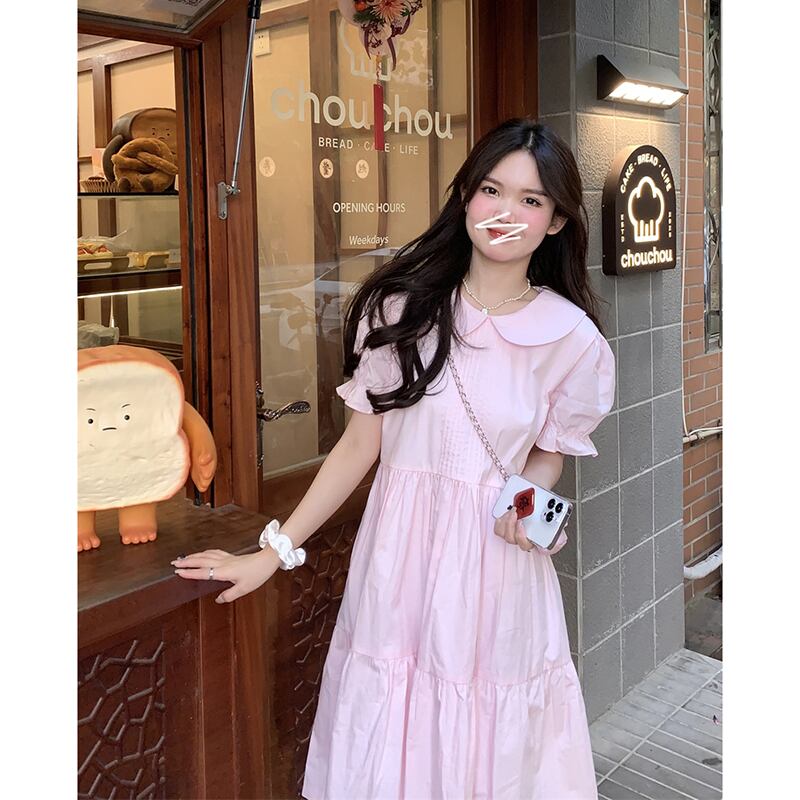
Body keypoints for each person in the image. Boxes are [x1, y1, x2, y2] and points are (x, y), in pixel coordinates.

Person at [173, 118, 615, 799]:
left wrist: (527, 507)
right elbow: (359, 446)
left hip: (495, 569)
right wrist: (272, 552)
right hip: (398, 558)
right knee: (393, 724)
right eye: (491, 190)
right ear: (465, 197)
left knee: (487, 737)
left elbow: (548, 456)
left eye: (530, 200)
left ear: (556, 221)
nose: (505, 212)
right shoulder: (402, 308)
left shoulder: (571, 338)